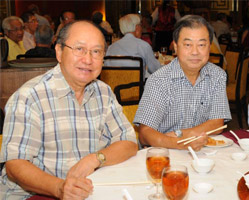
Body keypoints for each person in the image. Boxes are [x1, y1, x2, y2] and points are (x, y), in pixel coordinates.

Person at [0, 20, 138, 199]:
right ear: (59, 51)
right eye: (79, 49)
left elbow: (129, 142)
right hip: (35, 194)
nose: (88, 59)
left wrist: (96, 159)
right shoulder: (30, 97)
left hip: (90, 189)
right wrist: (60, 188)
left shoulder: (103, 92)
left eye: (96, 52)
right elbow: (15, 165)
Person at [134, 15, 231, 151]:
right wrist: (180, 144)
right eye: (188, 45)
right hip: (164, 153)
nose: (195, 52)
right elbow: (145, 134)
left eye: (201, 45)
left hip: (203, 151)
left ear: (210, 47)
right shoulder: (159, 80)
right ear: (175, 47)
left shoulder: (217, 75)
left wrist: (181, 135)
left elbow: (217, 122)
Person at [105, 14, 161, 79]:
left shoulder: (111, 47)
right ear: (137, 28)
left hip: (114, 87)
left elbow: (107, 70)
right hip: (136, 88)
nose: (142, 29)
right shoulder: (143, 45)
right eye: (141, 26)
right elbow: (155, 70)